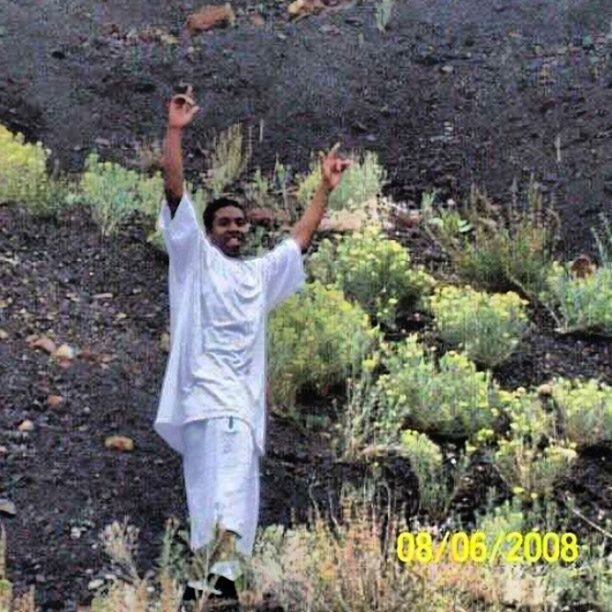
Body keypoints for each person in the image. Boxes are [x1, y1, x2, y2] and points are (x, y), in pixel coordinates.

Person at [153, 86, 351, 601]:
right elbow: (175, 192)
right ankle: (211, 577)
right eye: (225, 222)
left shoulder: (257, 277)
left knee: (236, 487)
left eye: (241, 223)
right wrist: (175, 132)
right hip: (203, 396)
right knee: (212, 489)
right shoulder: (194, 259)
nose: (235, 229)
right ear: (210, 230)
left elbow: (298, 241)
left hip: (238, 403)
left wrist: (324, 189)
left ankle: (214, 579)